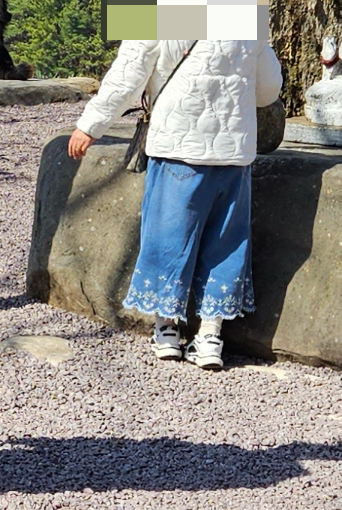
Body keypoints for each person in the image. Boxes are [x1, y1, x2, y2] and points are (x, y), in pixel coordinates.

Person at [67, 33, 285, 370]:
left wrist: (90, 125)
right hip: (233, 150)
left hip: (177, 144)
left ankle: (167, 328)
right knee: (226, 243)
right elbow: (269, 88)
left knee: (169, 236)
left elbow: (128, 74)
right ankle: (211, 335)